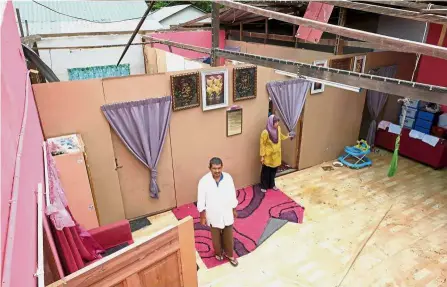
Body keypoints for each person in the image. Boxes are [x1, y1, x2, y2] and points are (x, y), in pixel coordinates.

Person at [197, 157, 239, 267]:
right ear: (209, 168)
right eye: (214, 168)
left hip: (226, 211)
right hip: (213, 213)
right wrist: (202, 216)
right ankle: (218, 253)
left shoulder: (228, 178)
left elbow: (232, 194)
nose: (217, 171)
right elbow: (201, 199)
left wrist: (234, 209)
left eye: (219, 168)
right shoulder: (204, 181)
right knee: (216, 237)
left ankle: (230, 255)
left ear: (222, 167)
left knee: (228, 235)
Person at [259, 115, 292, 193]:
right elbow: (262, 144)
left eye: (277, 122)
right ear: (271, 123)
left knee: (273, 171)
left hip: (276, 155)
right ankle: (264, 186)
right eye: (275, 122)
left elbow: (281, 137)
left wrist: (288, 136)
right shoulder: (265, 132)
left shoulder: (278, 129)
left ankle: (272, 184)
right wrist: (262, 156)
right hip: (268, 156)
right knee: (266, 172)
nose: (277, 124)